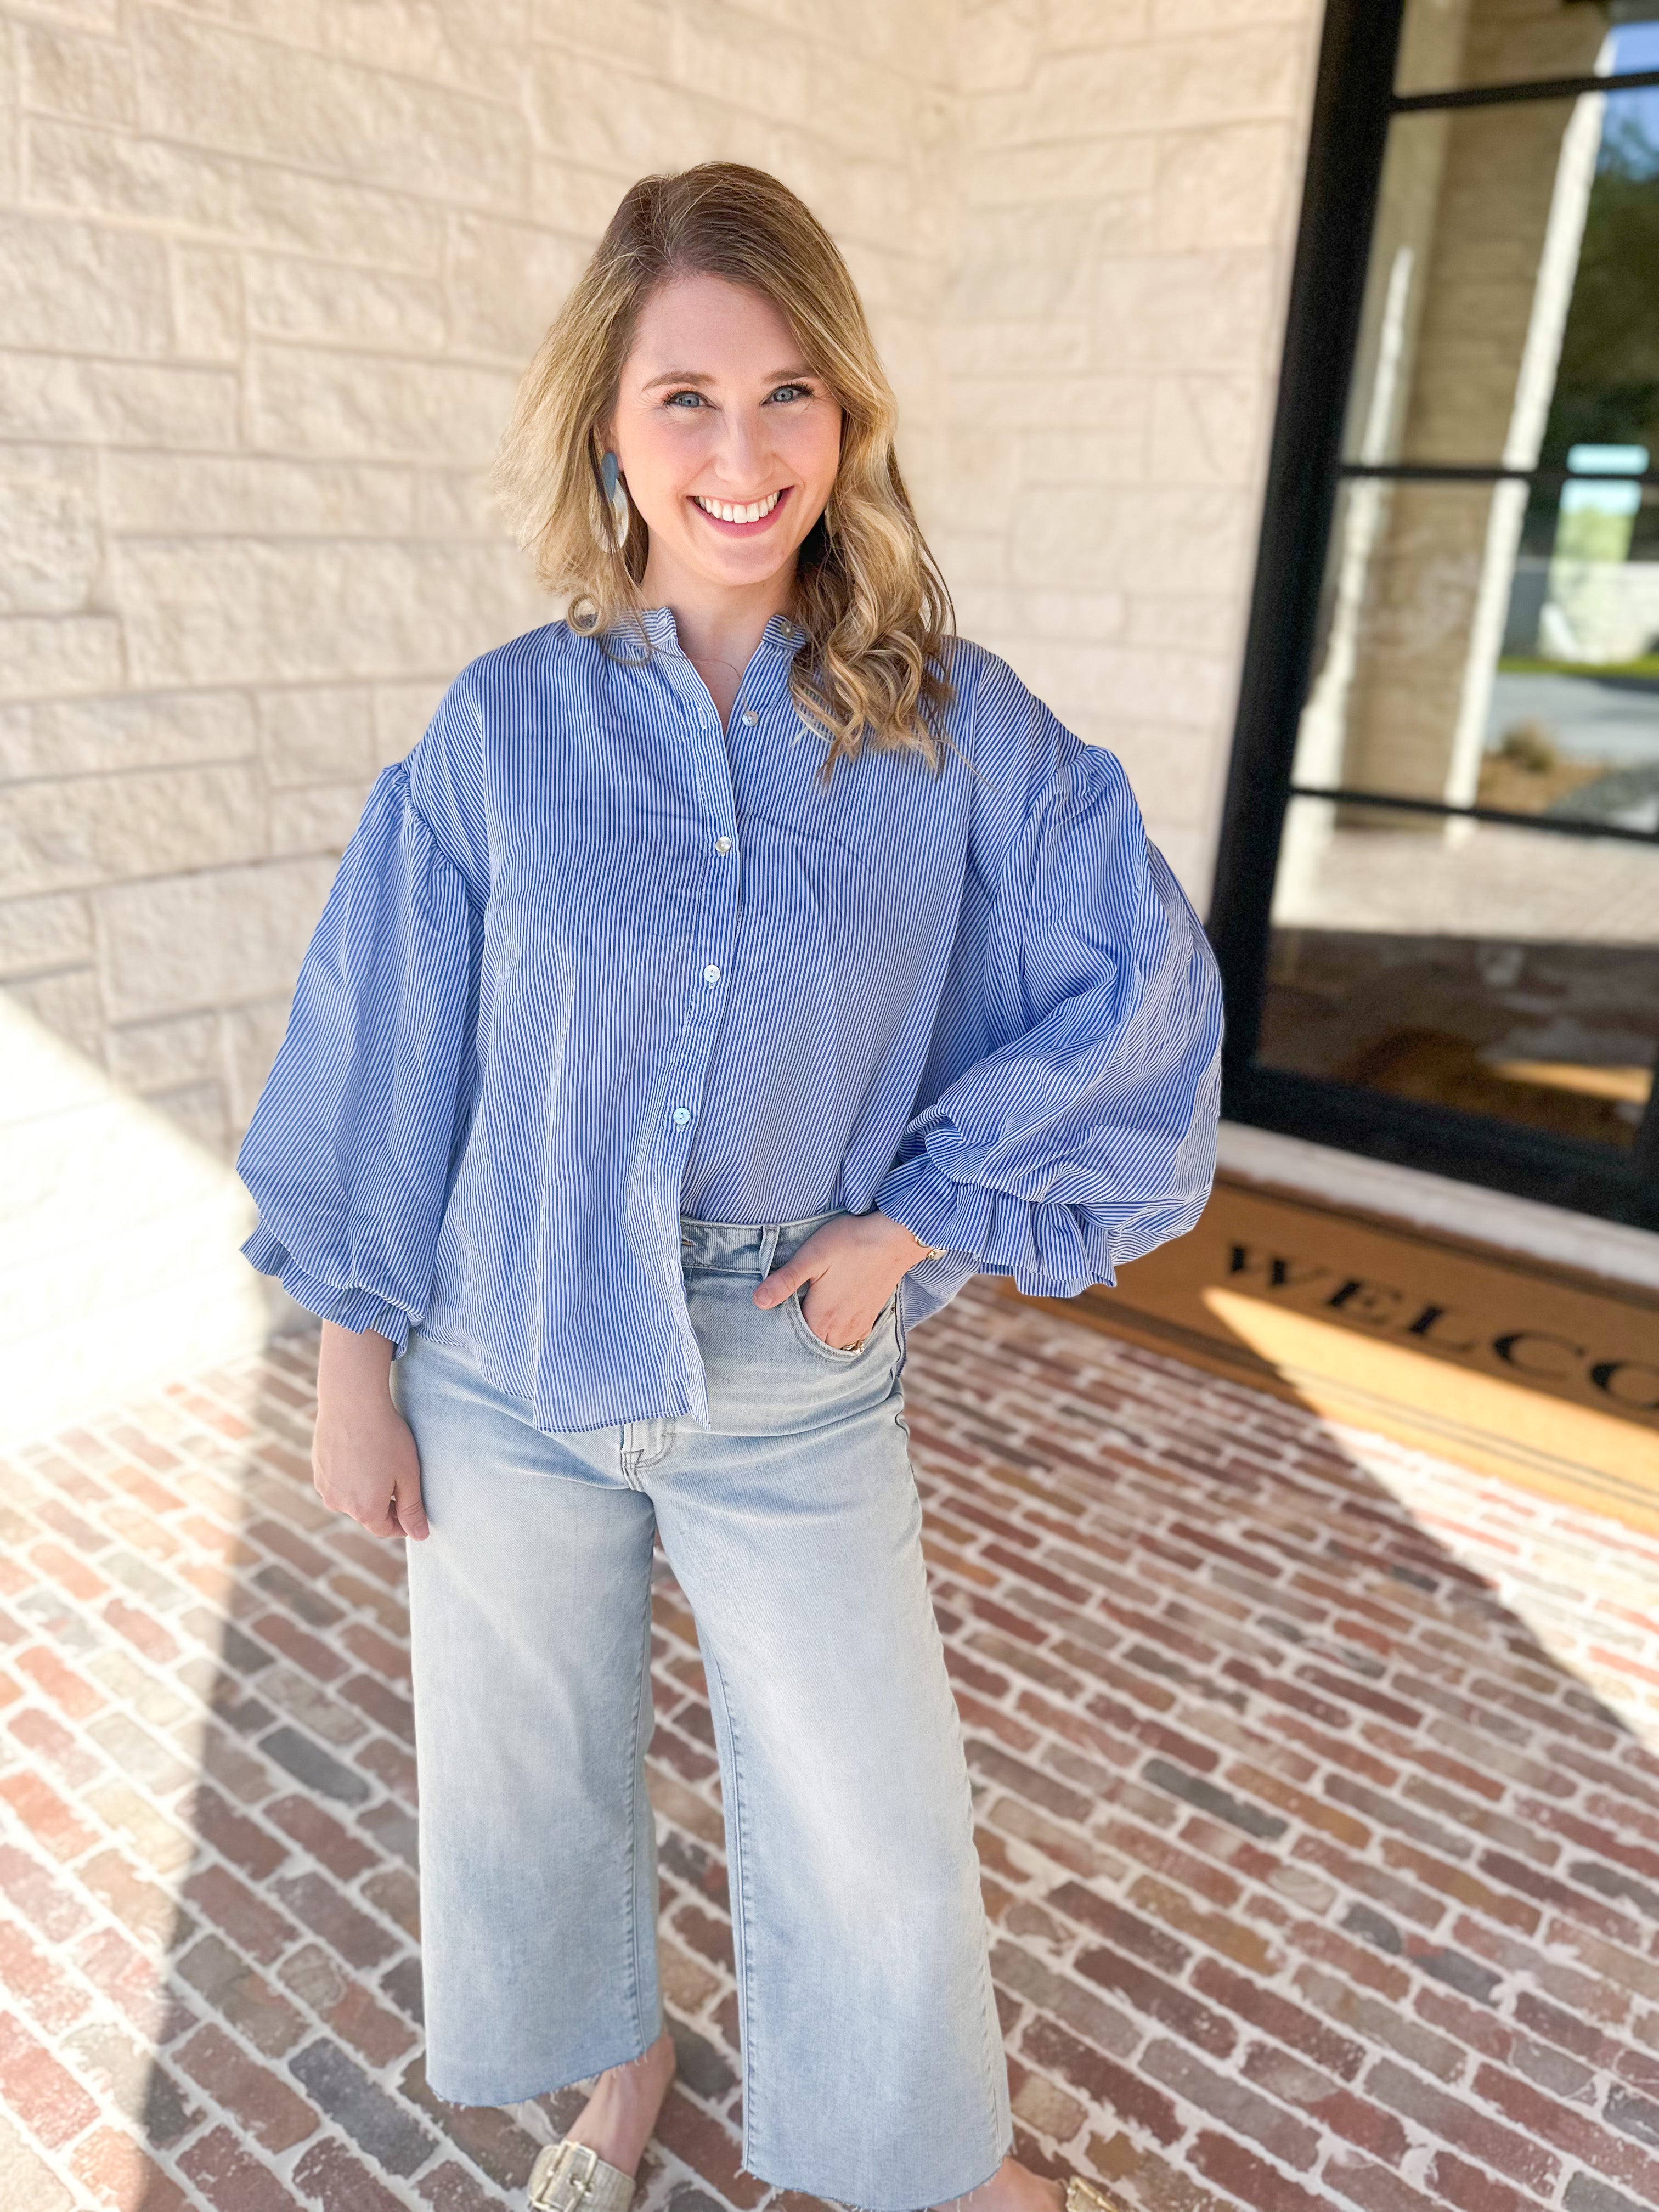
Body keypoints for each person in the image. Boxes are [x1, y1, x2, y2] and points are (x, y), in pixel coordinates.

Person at [236, 162, 1223, 2212]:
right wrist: (357, 1351)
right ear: (608, 421)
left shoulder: (952, 731)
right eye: (686, 396)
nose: (743, 451)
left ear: (846, 418)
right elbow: (389, 1047)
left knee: (866, 1801)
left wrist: (920, 1218)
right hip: (503, 1356)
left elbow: (1140, 988)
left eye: (790, 393)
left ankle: (936, 2176)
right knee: (527, 1779)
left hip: (788, 1352)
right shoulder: (501, 732)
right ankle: (620, 2072)